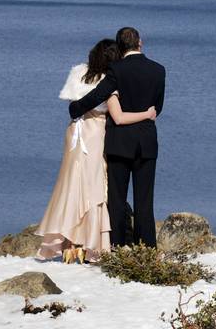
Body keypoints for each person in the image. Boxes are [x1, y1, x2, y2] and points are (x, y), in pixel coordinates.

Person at [36, 38, 156, 263]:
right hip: (94, 132)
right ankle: (91, 244)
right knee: (94, 187)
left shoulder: (79, 74)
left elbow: (74, 107)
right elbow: (118, 117)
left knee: (71, 184)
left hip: (75, 132)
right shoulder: (109, 81)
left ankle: (70, 243)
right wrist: (147, 114)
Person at [69, 27, 166, 247]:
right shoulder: (158, 70)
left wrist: (76, 108)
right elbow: (157, 107)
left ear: (120, 47)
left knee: (117, 200)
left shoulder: (116, 69)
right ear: (140, 42)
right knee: (144, 201)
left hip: (120, 143)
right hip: (147, 142)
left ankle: (116, 247)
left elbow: (98, 95)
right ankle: (147, 250)